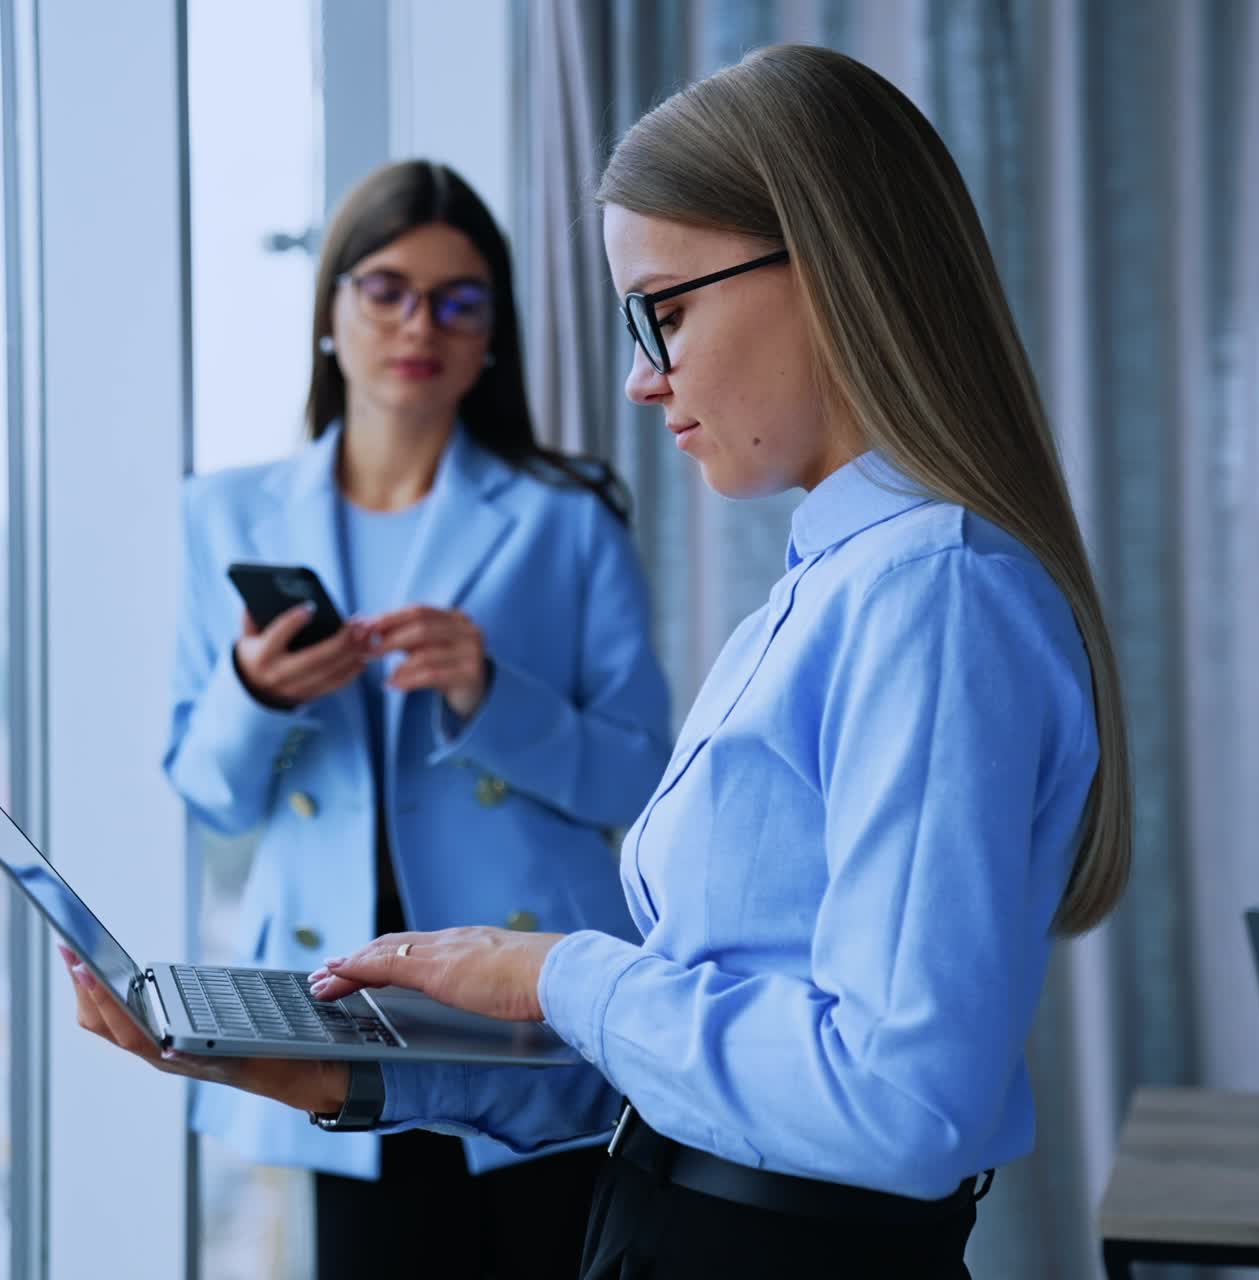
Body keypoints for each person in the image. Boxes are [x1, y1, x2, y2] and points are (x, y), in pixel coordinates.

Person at [67, 45, 1131, 1280]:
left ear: (829, 269)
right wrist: (348, 1073)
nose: (639, 375)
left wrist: (558, 967)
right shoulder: (826, 583)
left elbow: (896, 1104)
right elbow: (700, 1082)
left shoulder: (924, 593)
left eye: (665, 311)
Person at [161, 159, 672, 1278]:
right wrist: (256, 695)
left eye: (458, 299)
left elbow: (637, 778)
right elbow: (205, 789)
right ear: (330, 313)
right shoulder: (225, 513)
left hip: (528, 998)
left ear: (492, 332)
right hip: (336, 1002)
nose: (418, 323)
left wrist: (490, 694)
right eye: (385, 288)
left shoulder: (567, 514)